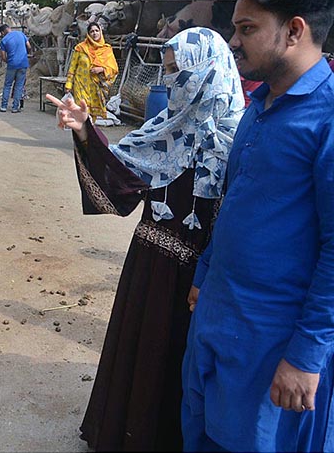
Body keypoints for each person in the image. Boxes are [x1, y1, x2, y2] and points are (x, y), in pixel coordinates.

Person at [47, 27, 245, 451]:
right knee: (139, 354)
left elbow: (243, 223)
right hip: (147, 267)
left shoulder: (241, 140)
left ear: (208, 72)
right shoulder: (163, 130)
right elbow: (121, 181)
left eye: (179, 73)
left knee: (179, 365)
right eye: (167, 71)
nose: (171, 82)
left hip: (197, 282)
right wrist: (85, 131)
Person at [182, 0, 334, 453]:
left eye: (247, 29)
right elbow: (235, 201)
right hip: (219, 322)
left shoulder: (326, 119)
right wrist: (205, 274)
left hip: (275, 344)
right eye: (234, 28)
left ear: (294, 31)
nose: (233, 41)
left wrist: (306, 355)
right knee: (202, 433)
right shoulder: (260, 104)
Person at [64, 21, 119, 122]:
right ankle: (81, 134)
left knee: (92, 116)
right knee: (82, 112)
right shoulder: (80, 48)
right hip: (80, 84)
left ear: (100, 32)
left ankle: (88, 135)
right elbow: (72, 67)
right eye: (92, 31)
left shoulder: (106, 50)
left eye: (97, 31)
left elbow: (114, 69)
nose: (94, 33)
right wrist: (68, 84)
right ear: (88, 34)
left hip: (95, 86)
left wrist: (101, 69)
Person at [0, 24, 31, 113]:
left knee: (7, 85)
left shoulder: (4, 40)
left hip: (12, 65)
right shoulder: (21, 34)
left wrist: (9, 61)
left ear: (2, 32)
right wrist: (24, 55)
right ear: (9, 28)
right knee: (19, 86)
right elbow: (29, 46)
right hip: (23, 64)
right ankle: (15, 107)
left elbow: (3, 56)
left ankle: (4, 106)